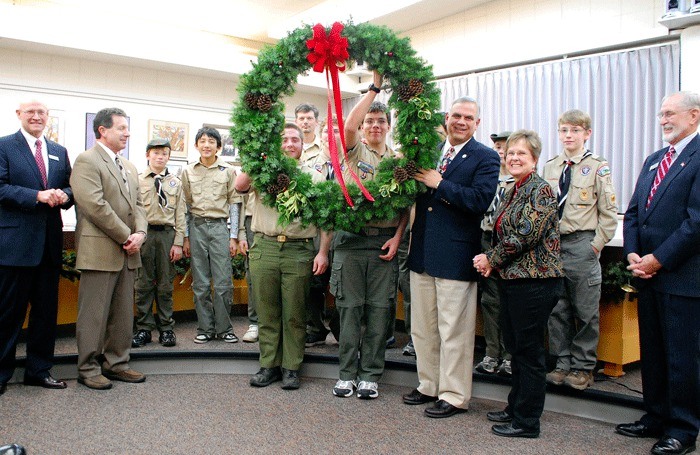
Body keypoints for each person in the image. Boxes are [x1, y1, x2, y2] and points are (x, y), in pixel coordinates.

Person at [404, 96, 499, 418]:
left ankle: (455, 395)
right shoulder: (431, 153)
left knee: (454, 332)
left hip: (456, 257)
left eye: (468, 118)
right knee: (423, 328)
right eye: (456, 115)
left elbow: (480, 201)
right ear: (447, 118)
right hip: (422, 255)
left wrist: (440, 183)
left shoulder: (485, 157)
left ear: (477, 124)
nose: (461, 121)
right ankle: (428, 385)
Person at [616, 91, 699, 455]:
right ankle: (654, 416)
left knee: (682, 357)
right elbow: (634, 212)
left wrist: (658, 259)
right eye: (660, 114)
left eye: (669, 113)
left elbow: (696, 223)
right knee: (652, 351)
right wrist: (634, 252)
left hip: (682, 276)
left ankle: (682, 429)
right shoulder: (654, 159)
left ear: (693, 115)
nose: (662, 120)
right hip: (647, 273)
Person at [473, 130, 564, 438]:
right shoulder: (514, 188)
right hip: (514, 280)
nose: (513, 158)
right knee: (516, 348)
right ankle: (515, 407)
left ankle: (527, 421)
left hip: (535, 281)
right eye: (510, 153)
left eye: (521, 154)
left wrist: (490, 259)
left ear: (535, 159)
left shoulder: (541, 189)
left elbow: (526, 233)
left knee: (528, 352)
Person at [330, 72, 408, 400]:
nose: (374, 125)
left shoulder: (400, 161)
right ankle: (347, 373)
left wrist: (398, 237)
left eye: (381, 121)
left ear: (389, 127)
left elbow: (407, 205)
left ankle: (371, 374)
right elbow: (348, 126)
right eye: (370, 121)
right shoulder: (354, 152)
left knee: (379, 308)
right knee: (349, 309)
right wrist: (374, 88)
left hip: (384, 242)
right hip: (350, 240)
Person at [235, 123, 330, 390]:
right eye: (284, 140)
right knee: (267, 310)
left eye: (294, 140)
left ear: (303, 144)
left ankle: (291, 367)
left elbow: (326, 219)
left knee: (294, 312)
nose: (289, 144)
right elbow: (240, 185)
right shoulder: (264, 171)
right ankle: (269, 365)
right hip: (264, 246)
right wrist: (255, 159)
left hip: (298, 249)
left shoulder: (314, 176)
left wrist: (322, 252)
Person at [71, 107, 147, 390]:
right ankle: (88, 368)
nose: (127, 133)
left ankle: (117, 363)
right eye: (121, 128)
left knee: (122, 314)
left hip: (128, 251)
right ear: (102, 130)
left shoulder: (128, 166)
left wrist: (140, 233)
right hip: (100, 251)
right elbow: (93, 205)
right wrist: (126, 235)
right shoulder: (87, 161)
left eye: (127, 128)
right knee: (93, 314)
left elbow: (138, 205)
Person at [0, 100, 73, 395]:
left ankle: (39, 370)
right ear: (19, 115)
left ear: (48, 118)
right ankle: (1, 374)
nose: (36, 116)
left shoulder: (58, 151)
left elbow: (71, 188)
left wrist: (61, 195)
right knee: (7, 315)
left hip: (49, 246)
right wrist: (37, 196)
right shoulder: (4, 146)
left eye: (41, 112)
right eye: (30, 111)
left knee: (45, 314)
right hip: (14, 246)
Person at [542, 109, 617, 390]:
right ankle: (562, 363)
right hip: (553, 246)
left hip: (581, 244)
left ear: (587, 133)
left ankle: (583, 367)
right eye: (564, 130)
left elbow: (609, 213)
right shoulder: (551, 167)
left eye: (575, 130)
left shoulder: (598, 166)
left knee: (585, 311)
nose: (568, 136)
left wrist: (595, 246)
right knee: (557, 308)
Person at [181, 127, 242, 344]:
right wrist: (186, 237)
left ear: (218, 146)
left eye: (211, 141)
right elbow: (185, 207)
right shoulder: (187, 171)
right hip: (196, 227)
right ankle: (205, 328)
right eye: (202, 141)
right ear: (196, 145)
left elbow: (235, 203)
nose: (206, 145)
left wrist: (233, 236)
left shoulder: (227, 170)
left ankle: (225, 328)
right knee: (201, 283)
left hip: (219, 229)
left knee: (224, 282)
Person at [131, 139, 186, 348]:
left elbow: (181, 213)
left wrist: (178, 242)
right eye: (156, 153)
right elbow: (132, 210)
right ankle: (144, 329)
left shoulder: (175, 182)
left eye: (164, 153)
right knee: (142, 284)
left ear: (169, 157)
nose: (160, 157)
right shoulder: (137, 180)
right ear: (148, 155)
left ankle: (166, 329)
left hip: (166, 236)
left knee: (165, 285)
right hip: (144, 235)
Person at [475, 131, 515, 376]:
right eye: (498, 147)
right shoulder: (489, 177)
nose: (501, 152)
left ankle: (510, 355)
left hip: (510, 243)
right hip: (486, 239)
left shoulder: (522, 180)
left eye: (506, 148)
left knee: (510, 301)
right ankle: (491, 353)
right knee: (490, 301)